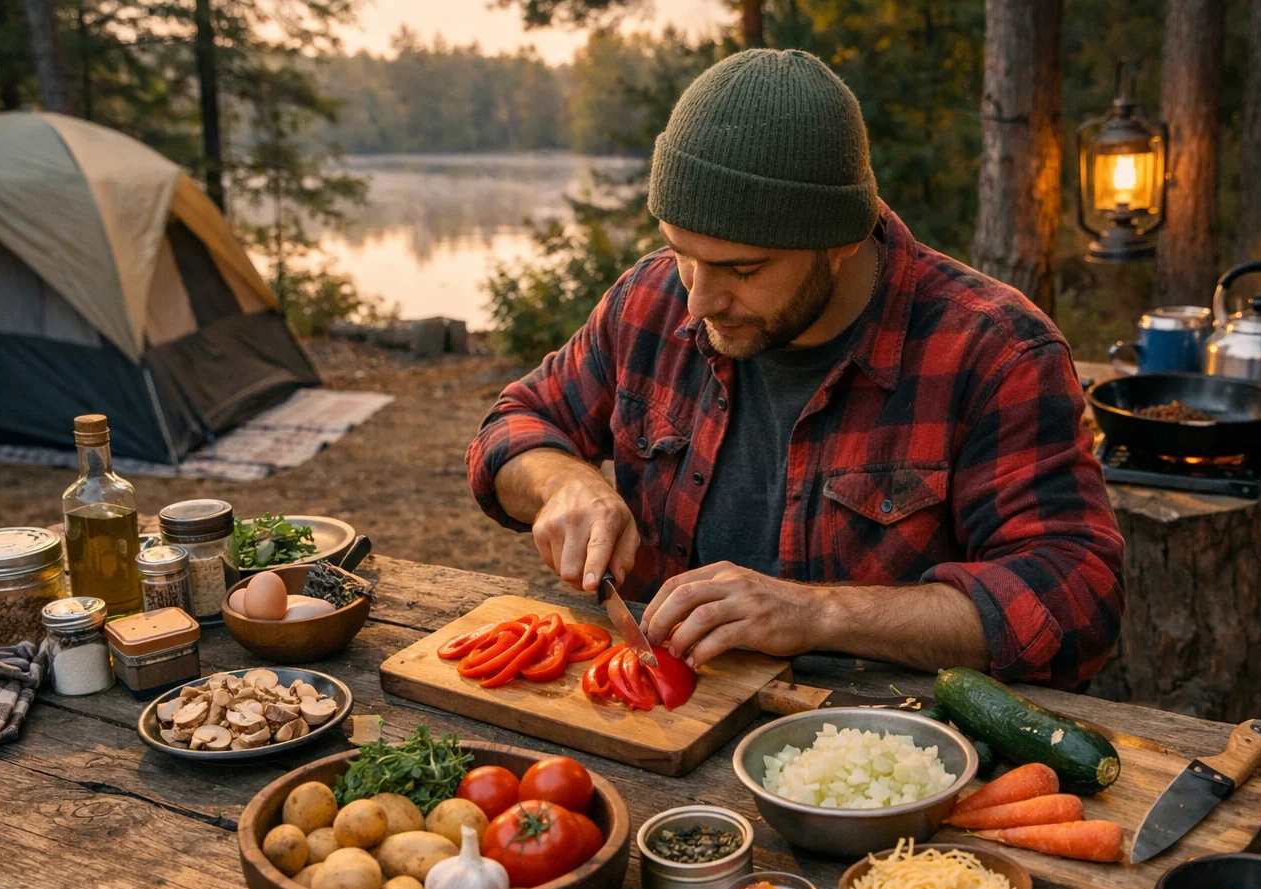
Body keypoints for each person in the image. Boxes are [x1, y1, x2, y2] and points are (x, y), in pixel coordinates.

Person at [466, 49, 1124, 690]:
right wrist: (563, 484)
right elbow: (513, 427)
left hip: (876, 750)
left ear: (839, 241)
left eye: (742, 270)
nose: (698, 301)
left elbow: (1075, 599)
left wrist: (819, 613)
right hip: (658, 718)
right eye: (681, 253)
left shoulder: (995, 350)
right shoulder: (650, 299)